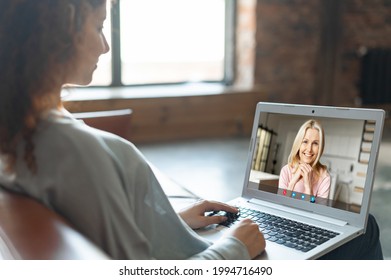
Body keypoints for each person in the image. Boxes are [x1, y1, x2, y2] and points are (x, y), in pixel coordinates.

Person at [0, 0, 382, 260]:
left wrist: (173, 218)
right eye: (99, 26)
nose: (104, 46)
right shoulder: (72, 151)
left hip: (191, 243)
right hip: (215, 261)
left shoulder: (25, 133)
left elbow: (108, 222)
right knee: (365, 228)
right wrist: (236, 248)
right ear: (59, 30)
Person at [279, 119, 330, 199]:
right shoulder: (286, 171)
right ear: (298, 144)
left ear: (320, 147)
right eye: (305, 141)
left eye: (315, 143)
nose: (309, 149)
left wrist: (308, 186)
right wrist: (293, 182)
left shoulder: (324, 177)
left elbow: (316, 211)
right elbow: (281, 205)